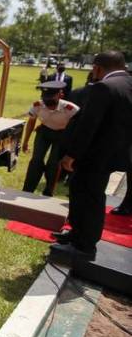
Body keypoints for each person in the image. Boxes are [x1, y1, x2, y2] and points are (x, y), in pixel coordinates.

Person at [53, 51, 132, 259]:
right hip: (114, 153)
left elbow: (89, 125)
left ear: (97, 68)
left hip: (95, 155)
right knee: (85, 194)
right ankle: (76, 234)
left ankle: (84, 246)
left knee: (88, 197)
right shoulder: (127, 83)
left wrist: (71, 155)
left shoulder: (104, 87)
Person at [21, 81, 79, 197]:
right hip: (44, 132)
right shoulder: (38, 105)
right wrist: (26, 141)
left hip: (62, 135)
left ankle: (48, 192)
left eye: (51, 102)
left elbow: (78, 127)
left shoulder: (71, 109)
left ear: (60, 95)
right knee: (36, 160)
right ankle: (28, 190)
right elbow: (31, 122)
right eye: (45, 100)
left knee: (54, 163)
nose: (48, 105)